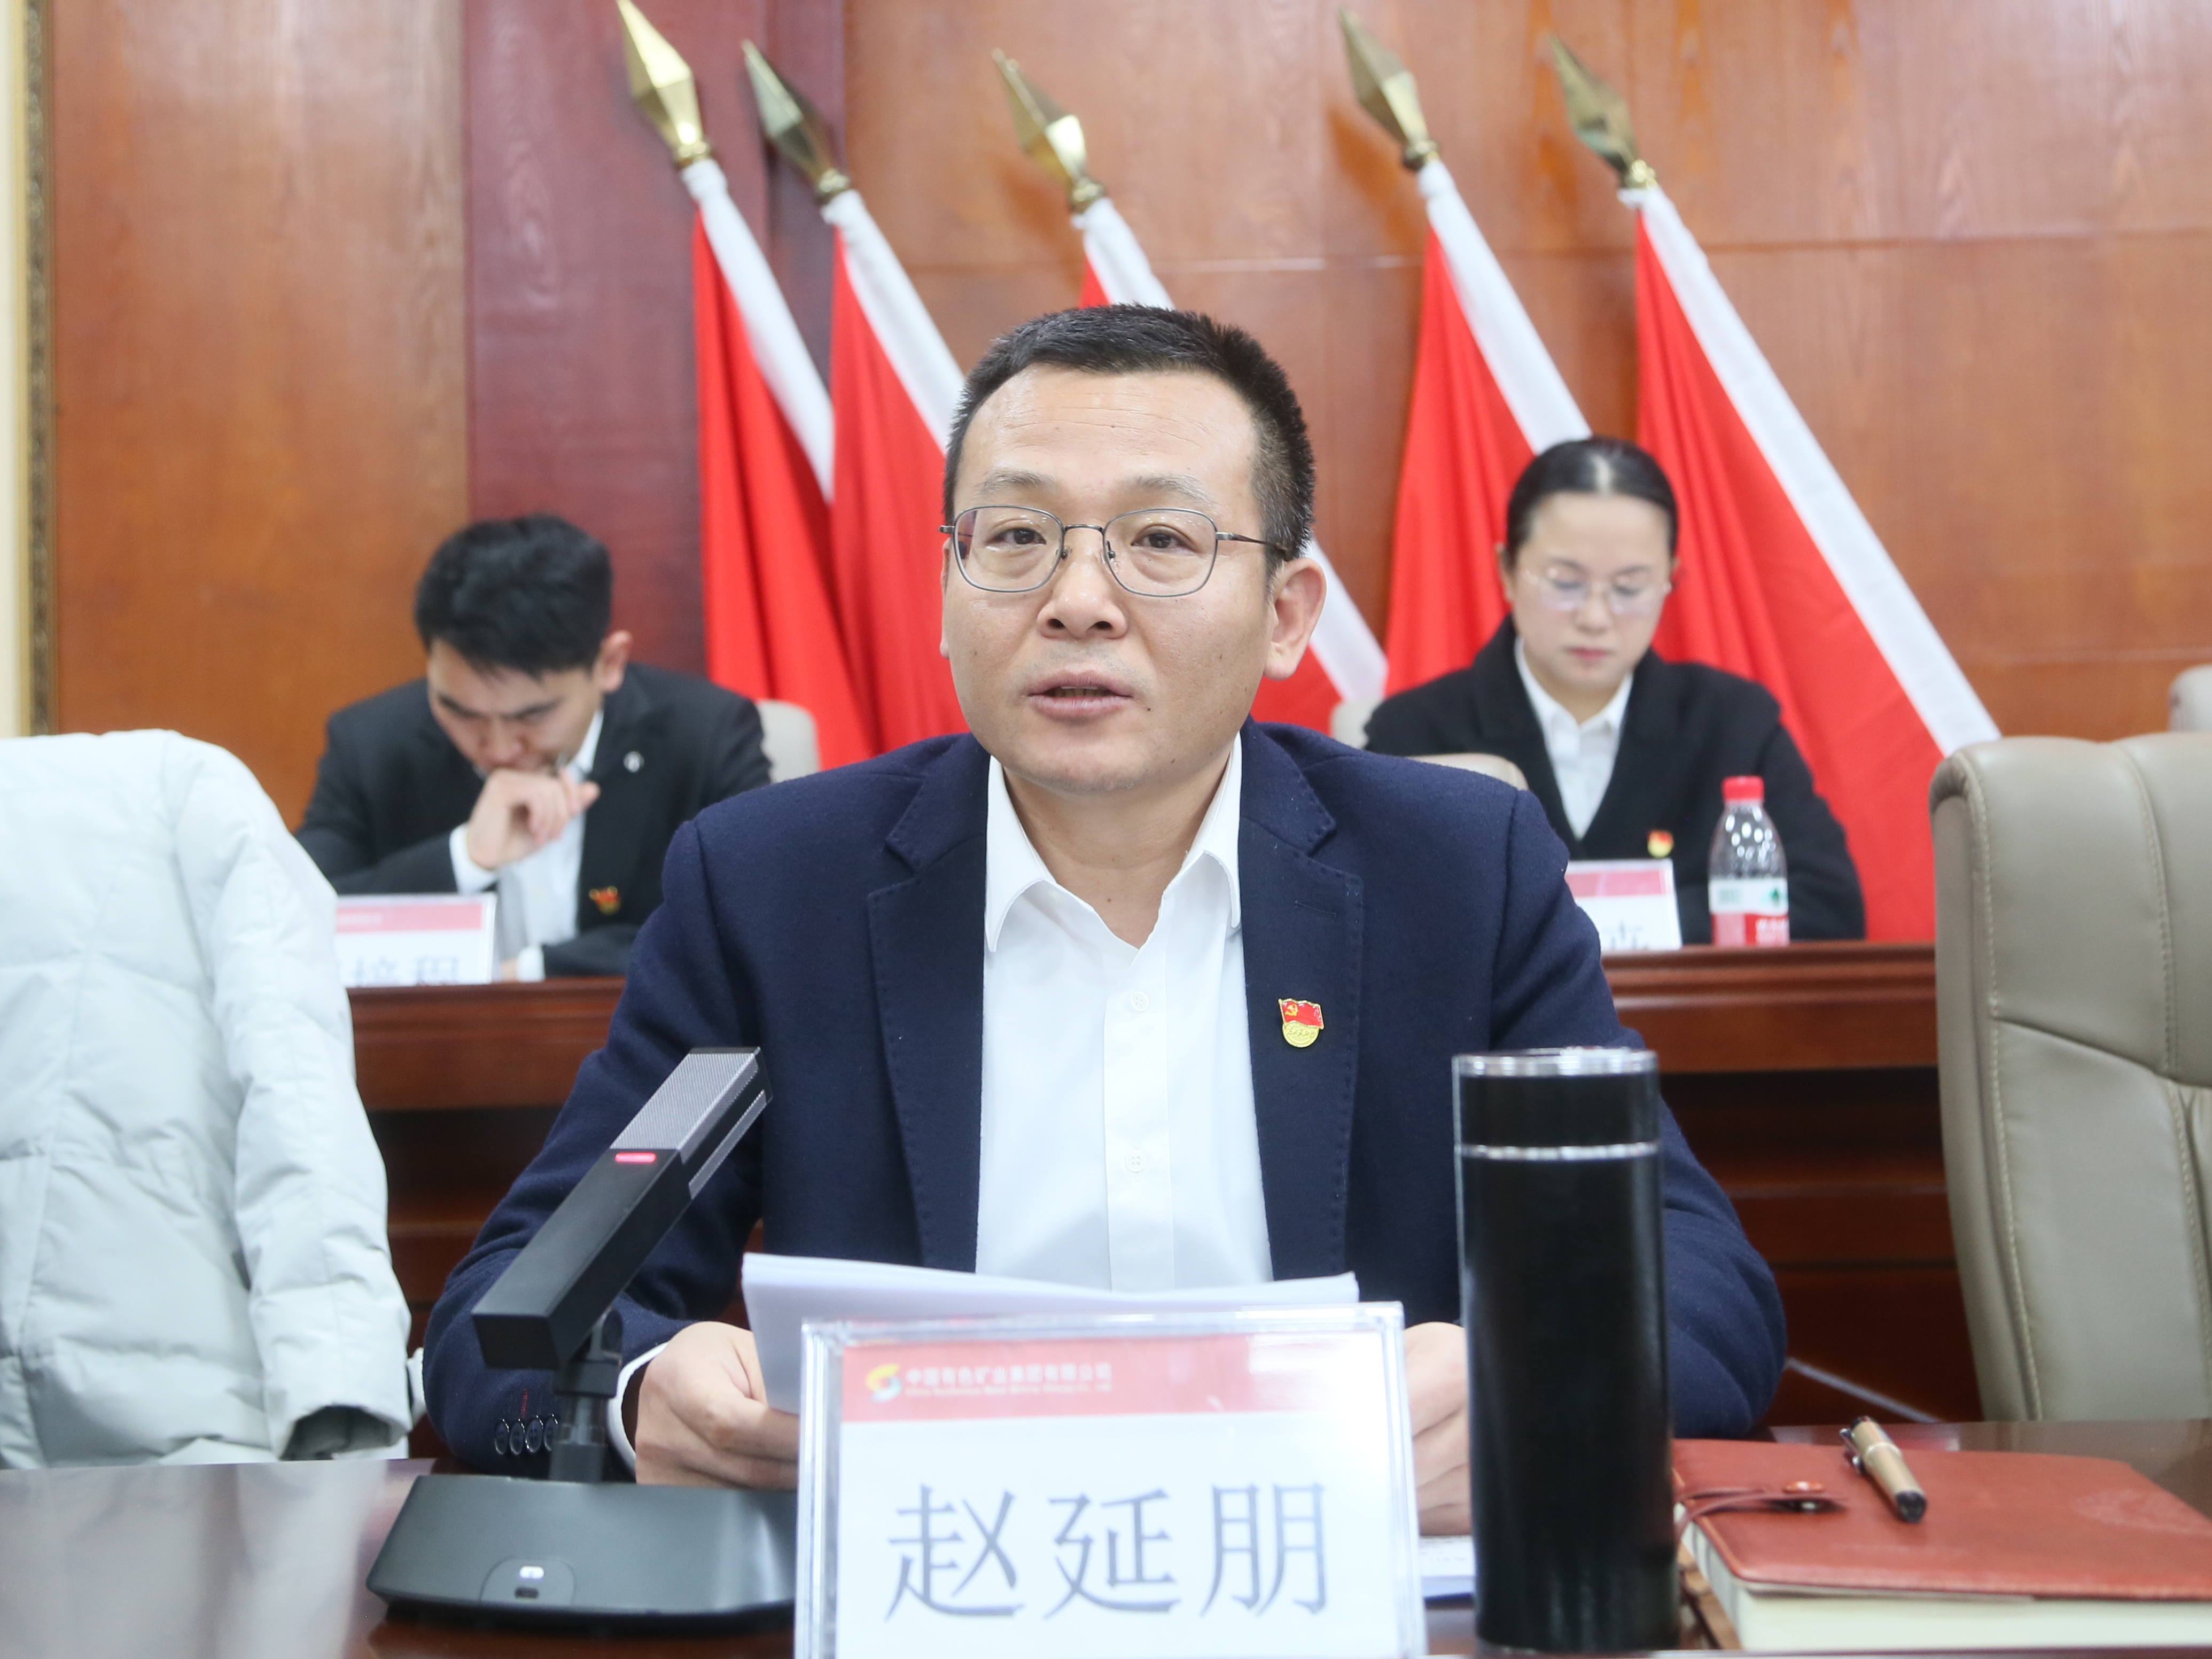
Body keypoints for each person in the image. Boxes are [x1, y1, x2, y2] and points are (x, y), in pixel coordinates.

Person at [424, 308, 1786, 1532]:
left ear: (1287, 615)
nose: (1078, 602)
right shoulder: (774, 888)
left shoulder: (1458, 873)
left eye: (1160, 542)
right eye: (1016, 539)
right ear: (948, 589)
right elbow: (503, 1326)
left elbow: (1704, 1289)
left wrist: (1529, 1394)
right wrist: (637, 1399)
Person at [0, 730, 414, 1465]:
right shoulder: (172, 785)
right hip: (173, 1417)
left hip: (156, 1400)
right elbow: (297, 1093)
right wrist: (338, 1386)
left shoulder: (174, 792)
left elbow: (290, 1083)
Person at [1365, 438, 1865, 944]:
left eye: (1629, 587)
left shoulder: (1733, 725)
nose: (1595, 618)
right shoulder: (1413, 734)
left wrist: (1627, 925)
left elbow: (1829, 904)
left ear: (1670, 579)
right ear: (1507, 572)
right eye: (1565, 582)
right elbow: (1366, 912)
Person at [296, 516, 772, 978]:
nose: (499, 748)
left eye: (533, 715)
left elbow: (748, 921)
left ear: (608, 664)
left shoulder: (706, 735)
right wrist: (466, 856)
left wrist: (527, 973)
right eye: (461, 711)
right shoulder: (371, 742)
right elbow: (296, 922)